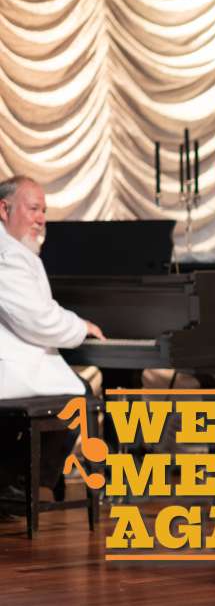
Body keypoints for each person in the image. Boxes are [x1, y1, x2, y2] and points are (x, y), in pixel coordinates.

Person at [0, 176, 105, 496]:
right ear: (4, 209)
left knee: (76, 387)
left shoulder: (14, 251)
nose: (41, 219)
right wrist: (81, 327)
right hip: (9, 369)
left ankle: (18, 479)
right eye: (33, 209)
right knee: (80, 394)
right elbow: (38, 320)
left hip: (14, 361)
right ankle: (25, 482)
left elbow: (39, 310)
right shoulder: (8, 256)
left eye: (44, 211)